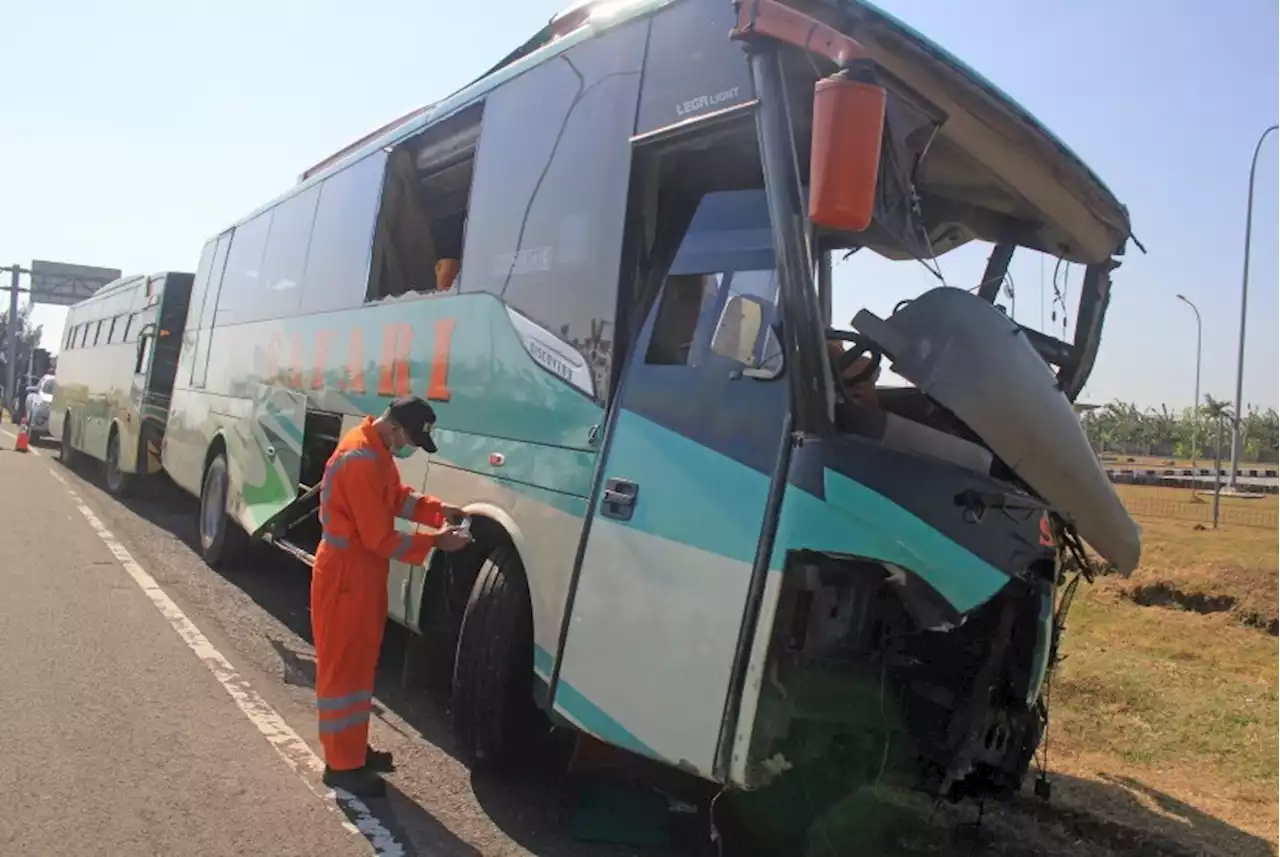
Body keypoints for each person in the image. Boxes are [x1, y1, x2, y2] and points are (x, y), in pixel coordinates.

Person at [312, 395, 472, 796]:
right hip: (347, 575)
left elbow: (397, 498)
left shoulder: (375, 450)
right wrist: (437, 542)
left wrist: (440, 510)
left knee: (360, 667)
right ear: (395, 427)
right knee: (343, 671)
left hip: (361, 574)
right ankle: (341, 766)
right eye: (412, 441)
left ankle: (352, 751)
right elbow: (379, 537)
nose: (411, 448)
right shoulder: (360, 458)